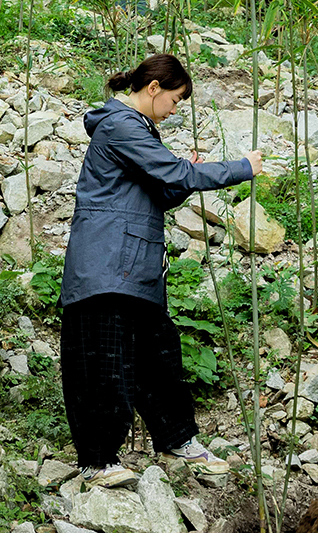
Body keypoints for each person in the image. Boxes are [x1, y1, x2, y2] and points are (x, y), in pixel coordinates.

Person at [62, 54, 263, 488]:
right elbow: (174, 174)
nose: (175, 110)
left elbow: (159, 190)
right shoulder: (121, 125)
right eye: (174, 99)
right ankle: (97, 461)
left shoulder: (137, 131)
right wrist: (242, 167)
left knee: (160, 356)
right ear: (153, 88)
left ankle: (177, 439)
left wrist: (179, 176)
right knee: (101, 362)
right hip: (105, 264)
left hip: (133, 266)